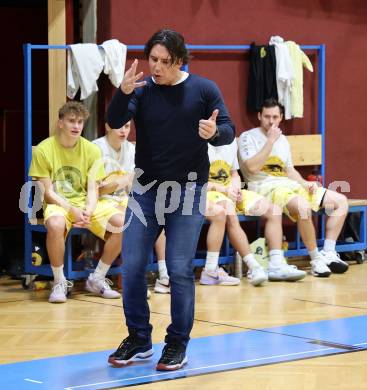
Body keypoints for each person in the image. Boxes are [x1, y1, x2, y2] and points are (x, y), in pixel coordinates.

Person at [106, 29, 235, 371]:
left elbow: (228, 129)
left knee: (178, 270)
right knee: (132, 266)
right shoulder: (143, 91)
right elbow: (114, 120)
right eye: (153, 60)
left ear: (179, 60)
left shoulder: (204, 89)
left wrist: (216, 133)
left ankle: (177, 343)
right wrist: (122, 93)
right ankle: (139, 339)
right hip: (145, 191)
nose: (157, 67)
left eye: (165, 61)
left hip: (188, 191)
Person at [238, 98, 349, 277]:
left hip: (289, 185)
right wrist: (270, 142)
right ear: (259, 116)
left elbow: (289, 171)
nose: (271, 121)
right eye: (267, 116)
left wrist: (305, 183)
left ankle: (328, 252)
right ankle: (315, 260)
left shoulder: (282, 140)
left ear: (281, 117)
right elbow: (251, 167)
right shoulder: (247, 137)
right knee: (303, 208)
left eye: (275, 116)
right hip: (265, 188)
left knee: (340, 201)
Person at [29, 101, 124, 303]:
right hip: (59, 203)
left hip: (86, 203)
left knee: (122, 223)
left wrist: (88, 210)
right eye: (71, 121)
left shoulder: (91, 150)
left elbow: (93, 188)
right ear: (60, 123)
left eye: (80, 122)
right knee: (55, 224)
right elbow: (48, 193)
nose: (76, 126)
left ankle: (97, 278)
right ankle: (59, 282)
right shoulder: (43, 150)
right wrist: (71, 209)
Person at [201, 139, 306, 287]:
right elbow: (196, 181)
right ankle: (254, 267)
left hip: (230, 191)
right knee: (228, 209)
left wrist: (236, 190)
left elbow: (234, 174)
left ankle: (276, 264)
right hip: (207, 193)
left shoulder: (229, 141)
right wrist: (225, 191)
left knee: (273, 210)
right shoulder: (196, 141)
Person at [93, 121, 167, 297]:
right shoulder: (95, 148)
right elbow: (96, 189)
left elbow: (135, 184)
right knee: (128, 224)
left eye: (127, 126)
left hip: (123, 200)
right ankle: (100, 276)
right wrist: (121, 181)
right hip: (99, 202)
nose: (123, 130)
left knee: (157, 216)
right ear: (107, 126)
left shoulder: (132, 150)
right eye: (119, 126)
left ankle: (164, 275)